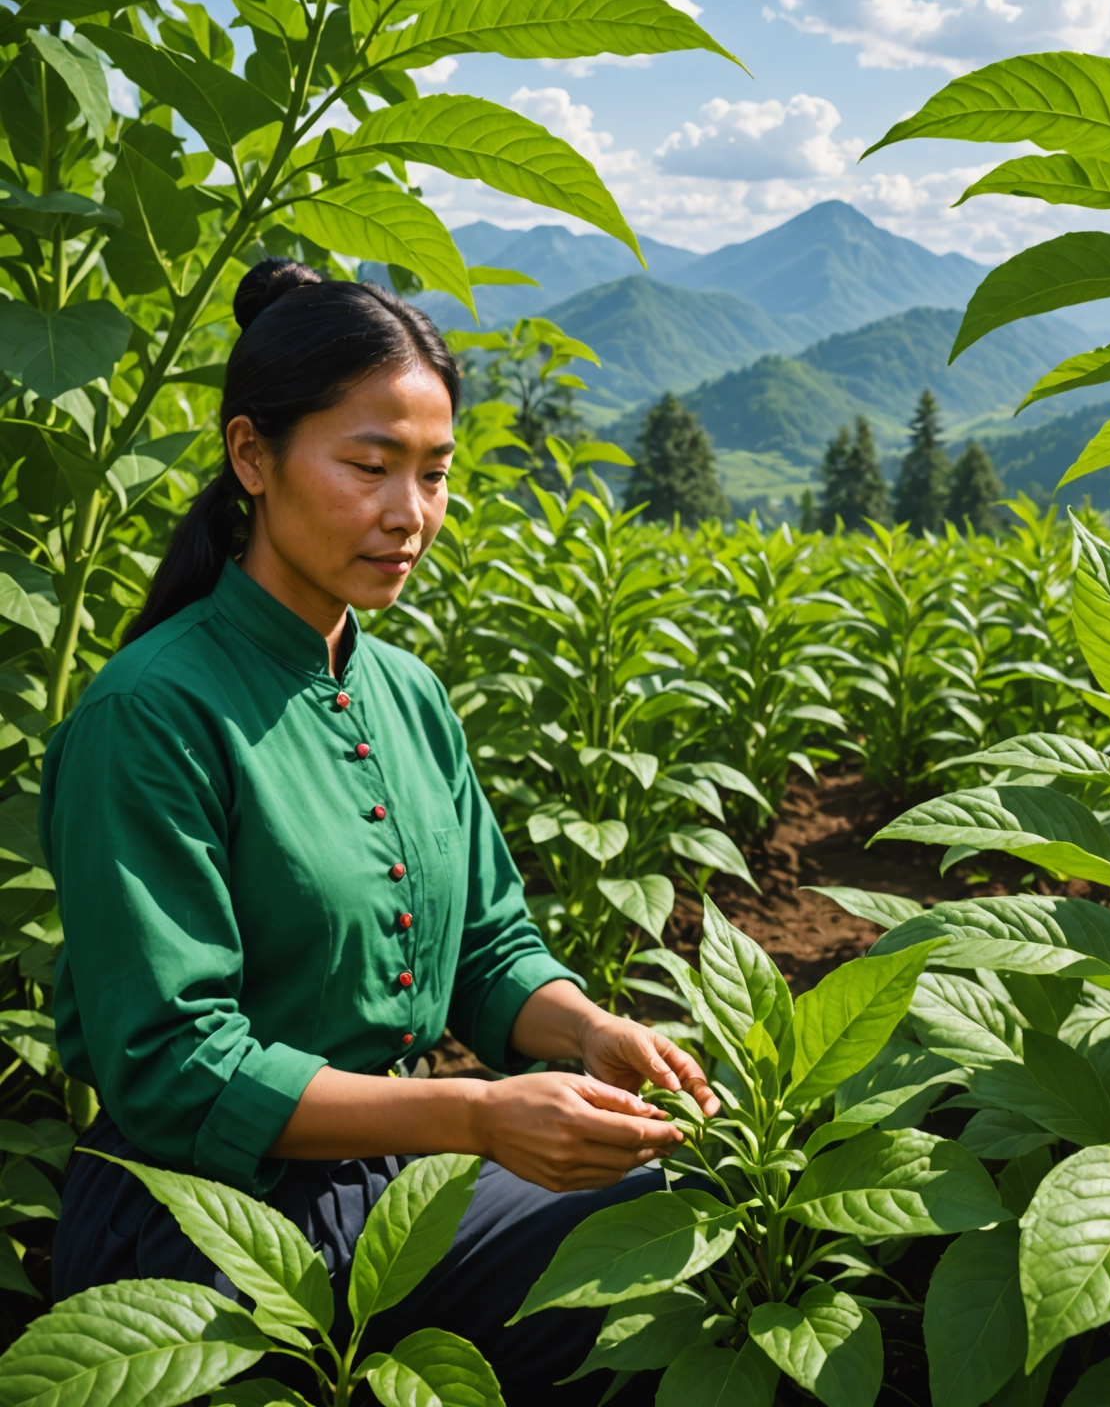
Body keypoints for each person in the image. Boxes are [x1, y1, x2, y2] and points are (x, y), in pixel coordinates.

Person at [41, 259, 717, 1395]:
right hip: (204, 1229)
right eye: (370, 466)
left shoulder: (405, 692)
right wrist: (479, 1116)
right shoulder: (149, 714)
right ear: (251, 456)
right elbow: (175, 1067)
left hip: (394, 1179)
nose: (411, 515)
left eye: (435, 475)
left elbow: (488, 951)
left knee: (669, 1228)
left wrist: (591, 1032)